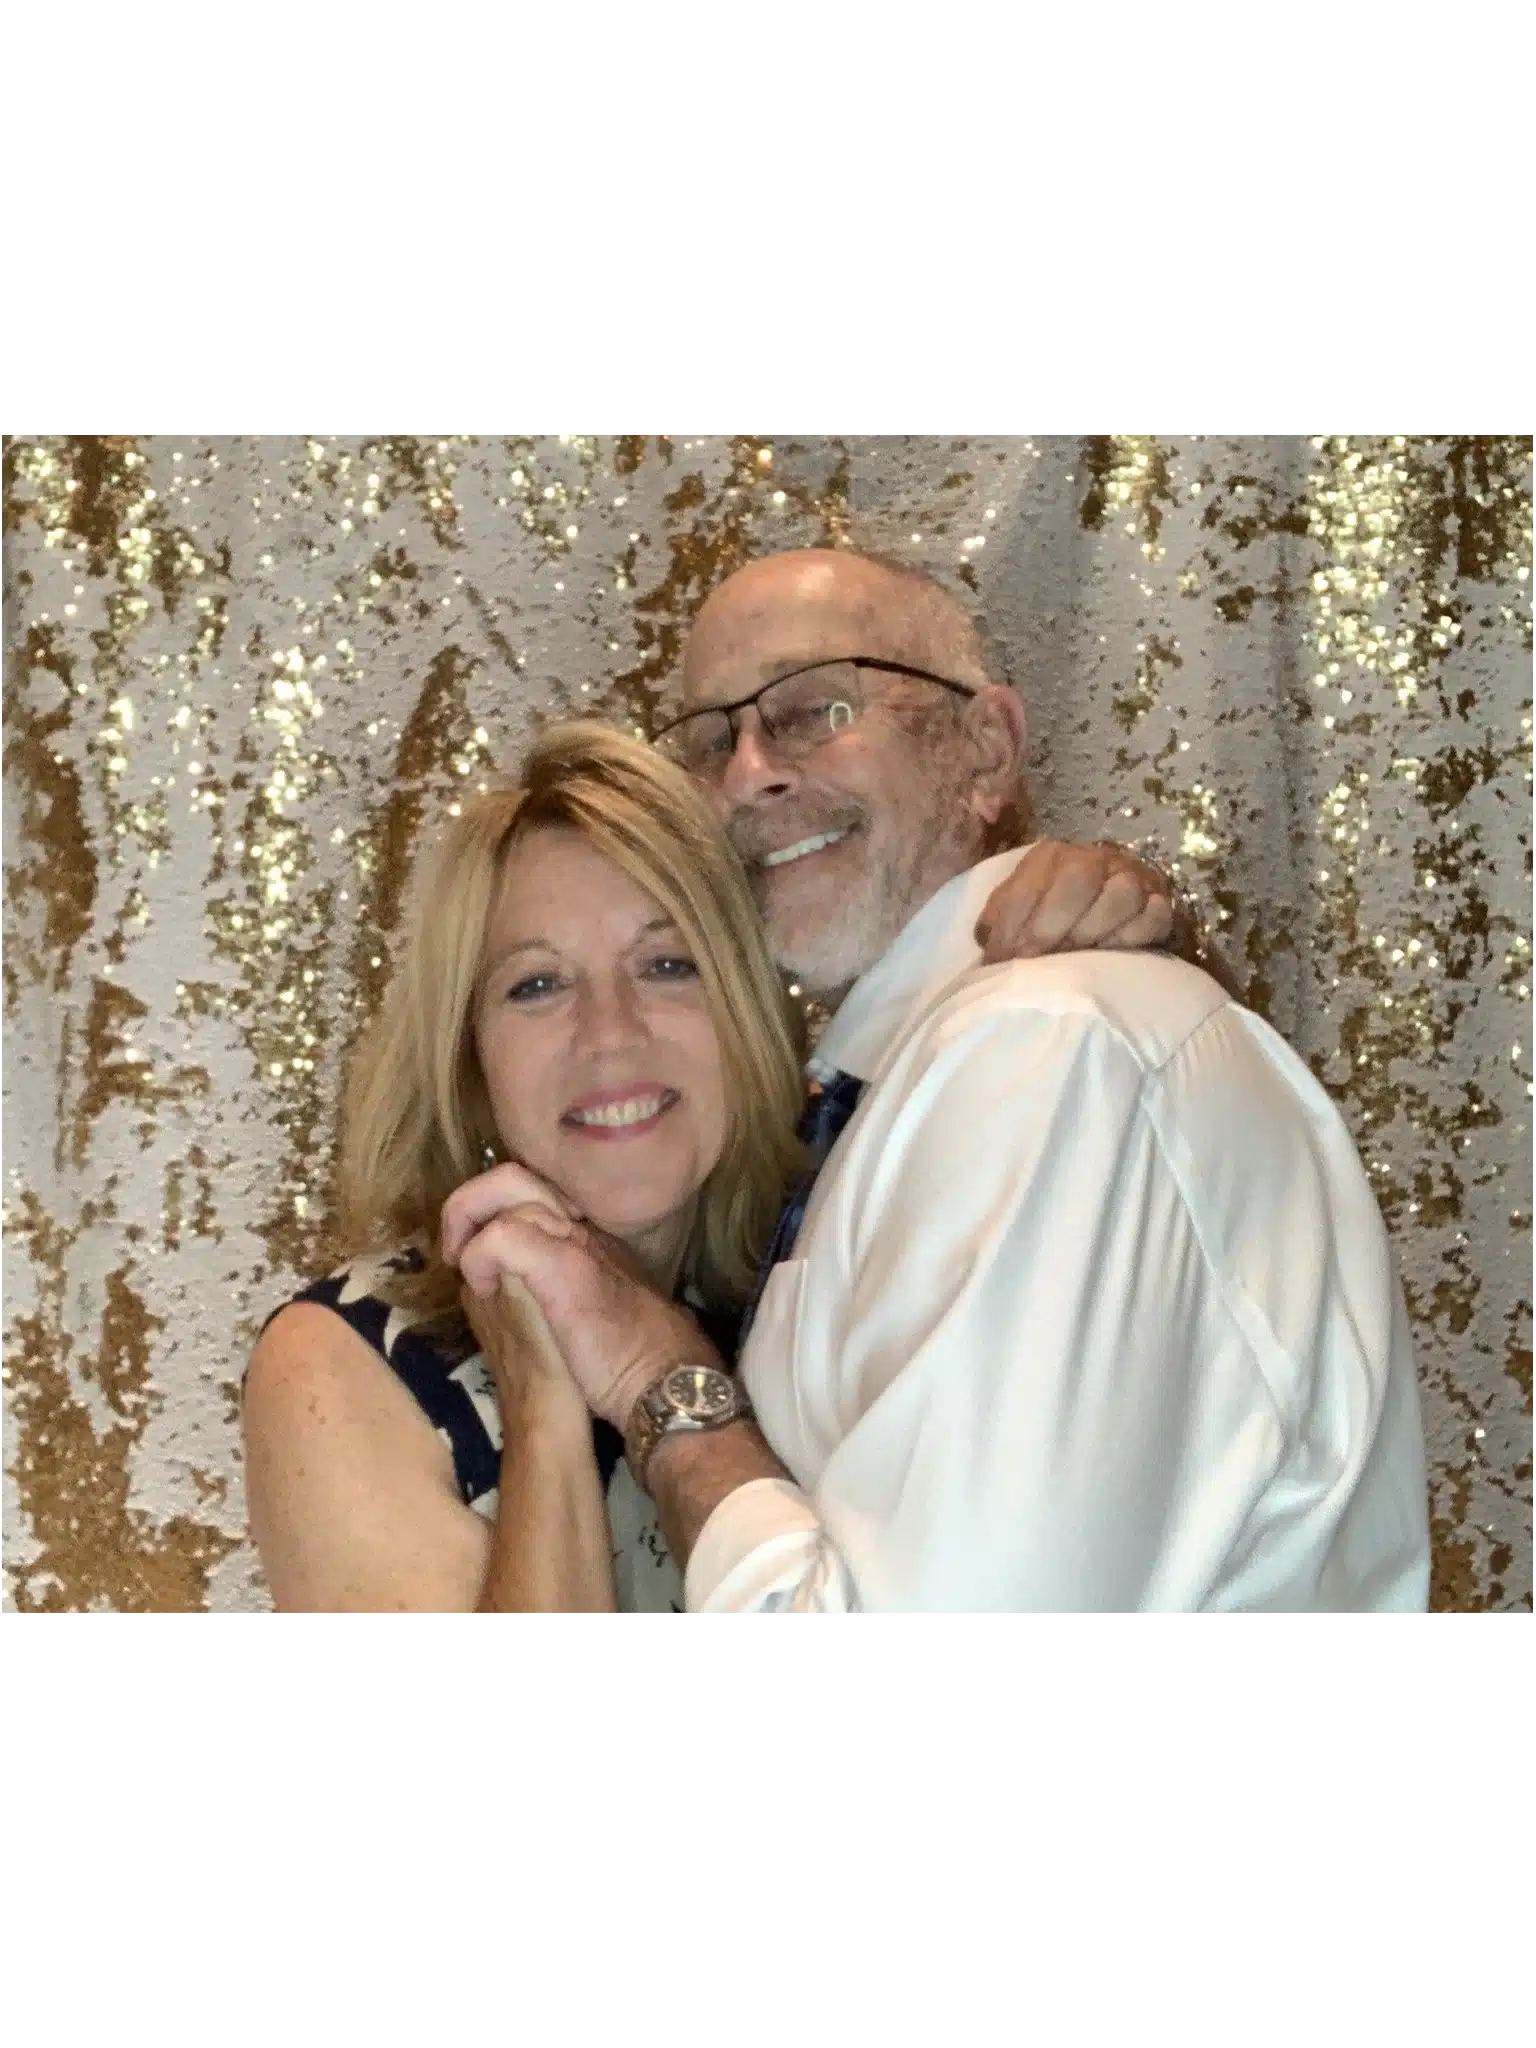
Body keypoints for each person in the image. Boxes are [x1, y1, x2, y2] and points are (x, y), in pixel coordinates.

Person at [455, 548, 1432, 1613]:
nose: (747, 774)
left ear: (988, 747)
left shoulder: (1047, 1047)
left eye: (812, 708)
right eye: (707, 739)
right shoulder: (894, 1087)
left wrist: (657, 1379)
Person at [243, 717, 1184, 1613]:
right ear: (470, 1061)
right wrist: (545, 1405)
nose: (609, 1034)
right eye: (536, 985)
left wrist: (1131, 931)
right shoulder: (348, 1359)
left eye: (666, 965)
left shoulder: (834, 1253)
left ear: (739, 1004)